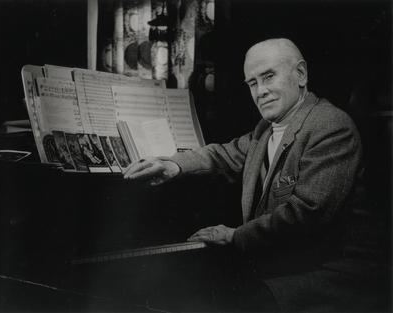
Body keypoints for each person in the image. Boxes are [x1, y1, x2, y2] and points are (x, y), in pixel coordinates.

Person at [123, 38, 387, 311]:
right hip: (284, 265)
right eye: (252, 83)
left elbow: (307, 214)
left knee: (228, 299)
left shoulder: (330, 125)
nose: (260, 91)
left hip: (332, 275)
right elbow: (223, 154)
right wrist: (172, 165)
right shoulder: (266, 128)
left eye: (268, 76)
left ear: (300, 74)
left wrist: (233, 236)